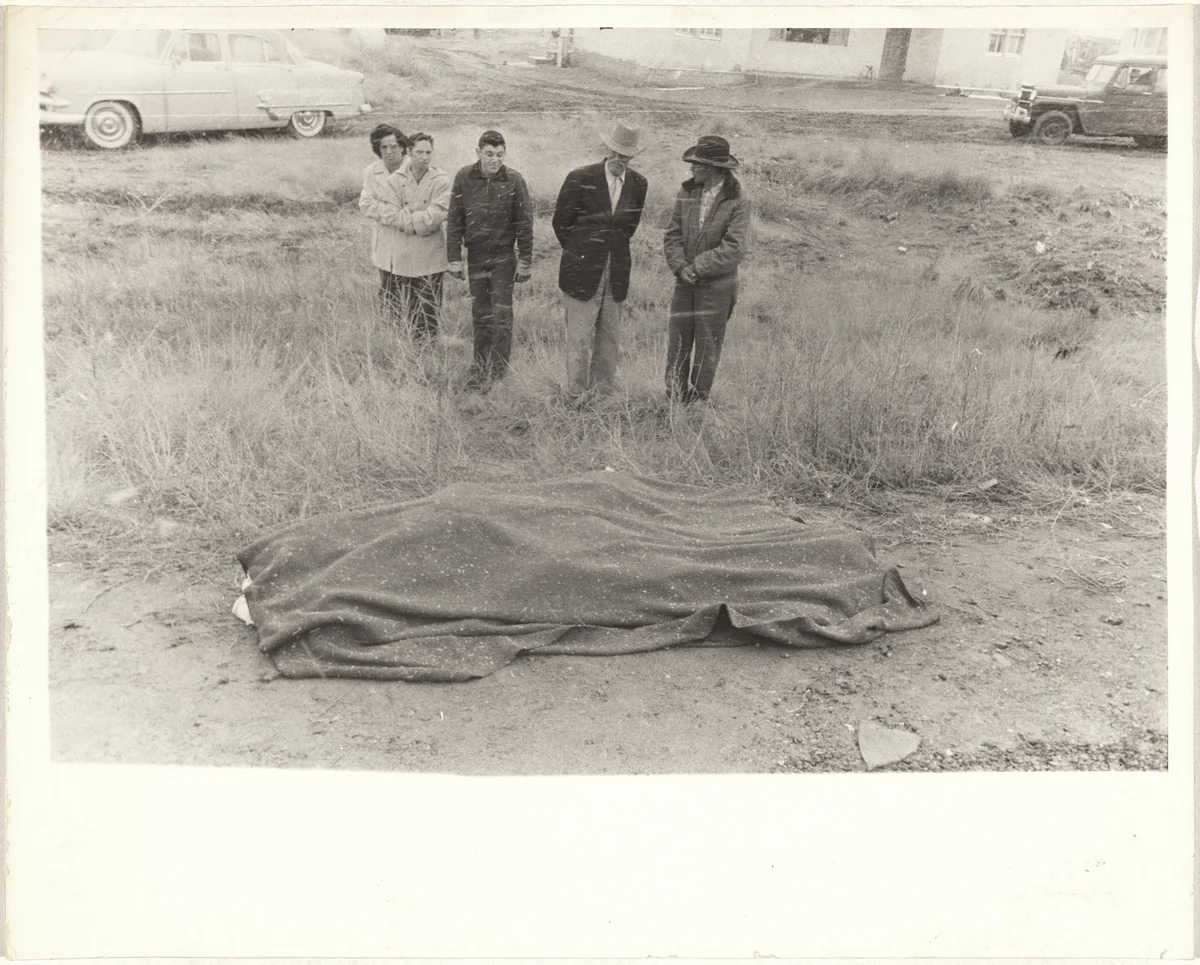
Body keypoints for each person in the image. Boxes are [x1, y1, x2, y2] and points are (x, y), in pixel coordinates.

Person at [551, 121, 649, 402]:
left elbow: (629, 229)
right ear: (607, 148)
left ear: (634, 156)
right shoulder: (579, 177)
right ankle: (575, 397)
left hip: (616, 272)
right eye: (616, 151)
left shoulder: (639, 184)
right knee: (579, 339)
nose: (619, 158)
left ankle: (602, 397)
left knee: (609, 341)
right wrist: (582, 253)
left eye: (626, 154)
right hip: (581, 271)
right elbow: (561, 223)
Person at [662, 134, 752, 403]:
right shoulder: (687, 192)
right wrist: (680, 267)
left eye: (697, 165)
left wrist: (697, 268)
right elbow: (672, 235)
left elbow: (734, 248)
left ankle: (699, 402)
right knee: (678, 343)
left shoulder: (739, 201)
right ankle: (675, 400)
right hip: (684, 282)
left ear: (712, 168)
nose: (692, 169)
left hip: (717, 287)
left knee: (707, 346)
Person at [445, 130, 534, 391]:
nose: (494, 160)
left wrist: (525, 260)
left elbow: (524, 222)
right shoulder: (464, 177)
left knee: (502, 316)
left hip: (504, 258)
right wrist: (454, 259)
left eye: (499, 154)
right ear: (478, 153)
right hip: (476, 257)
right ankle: (479, 368)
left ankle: (497, 375)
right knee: (480, 314)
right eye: (489, 154)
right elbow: (455, 219)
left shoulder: (514, 180)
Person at [367, 132, 451, 344]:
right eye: (419, 152)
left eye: (428, 152)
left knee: (430, 304)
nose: (424, 157)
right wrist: (419, 218)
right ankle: (410, 349)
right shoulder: (394, 180)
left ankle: (430, 347)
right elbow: (391, 215)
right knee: (410, 304)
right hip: (404, 255)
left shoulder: (441, 180)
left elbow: (437, 215)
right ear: (409, 152)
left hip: (432, 253)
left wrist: (409, 217)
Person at [358, 124, 412, 331]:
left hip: (410, 237)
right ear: (377, 150)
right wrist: (391, 214)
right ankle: (393, 331)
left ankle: (416, 331)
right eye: (383, 148)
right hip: (385, 238)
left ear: (403, 146)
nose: (389, 152)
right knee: (389, 287)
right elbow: (366, 204)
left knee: (411, 285)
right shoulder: (372, 172)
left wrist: (401, 215)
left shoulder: (413, 167)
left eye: (394, 146)